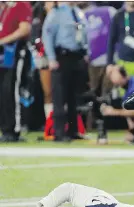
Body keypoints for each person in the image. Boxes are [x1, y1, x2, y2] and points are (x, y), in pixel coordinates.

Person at [42, 2, 88, 142]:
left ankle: (73, 130)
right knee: (59, 96)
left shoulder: (78, 12)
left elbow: (83, 34)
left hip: (77, 57)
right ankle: (59, 132)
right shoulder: (56, 13)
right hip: (62, 57)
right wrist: (51, 58)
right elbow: (47, 35)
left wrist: (86, 52)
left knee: (74, 97)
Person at [0, 1, 32, 142]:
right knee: (3, 92)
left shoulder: (21, 4)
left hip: (15, 51)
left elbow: (24, 29)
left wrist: (3, 40)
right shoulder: (5, 7)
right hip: (3, 55)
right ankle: (6, 129)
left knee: (11, 90)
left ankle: (14, 129)